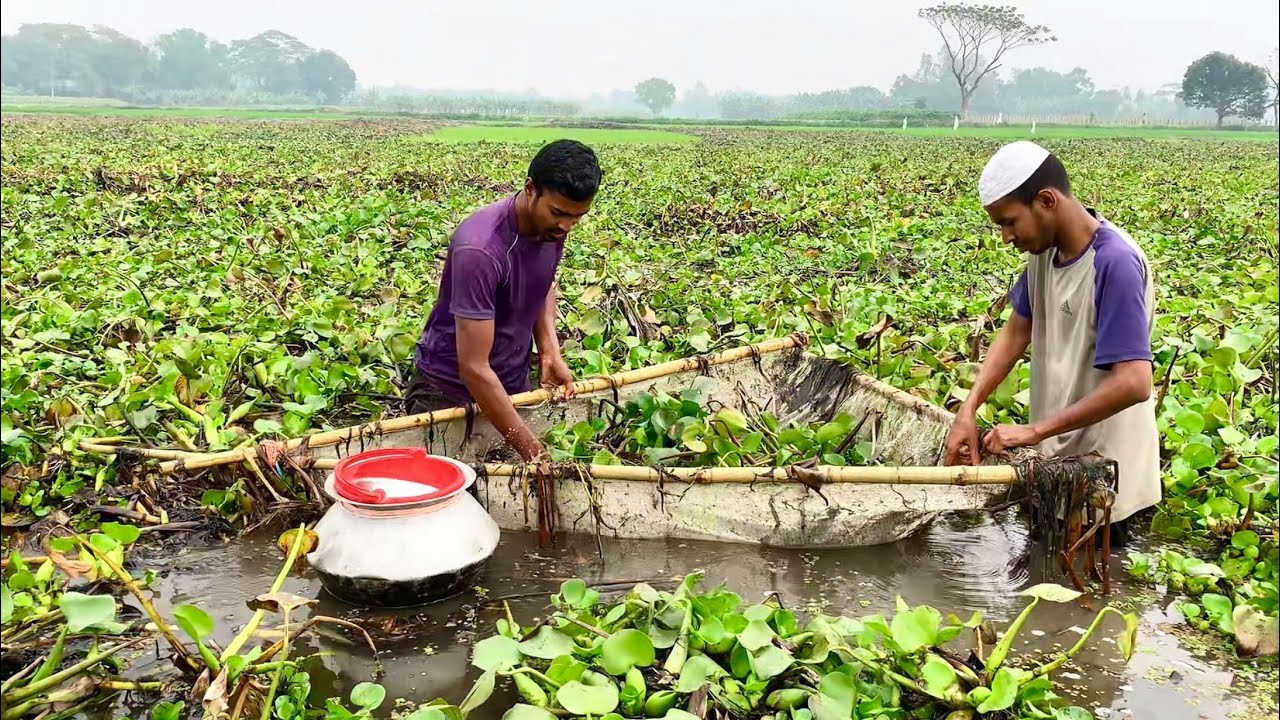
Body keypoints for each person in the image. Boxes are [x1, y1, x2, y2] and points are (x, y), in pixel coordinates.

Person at [944, 140, 1160, 543]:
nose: (1006, 237)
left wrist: (1033, 431)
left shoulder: (1115, 263)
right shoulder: (1043, 253)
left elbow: (1134, 382)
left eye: (1010, 222)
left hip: (1103, 475)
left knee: (1090, 590)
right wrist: (968, 409)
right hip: (1056, 461)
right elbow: (1017, 328)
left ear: (1046, 200)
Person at [406, 139, 602, 462]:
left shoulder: (552, 229)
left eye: (577, 218)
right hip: (448, 395)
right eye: (558, 213)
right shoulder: (481, 249)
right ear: (530, 189)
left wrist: (549, 349)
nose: (566, 226)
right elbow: (474, 368)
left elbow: (543, 283)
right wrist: (533, 452)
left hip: (512, 383)